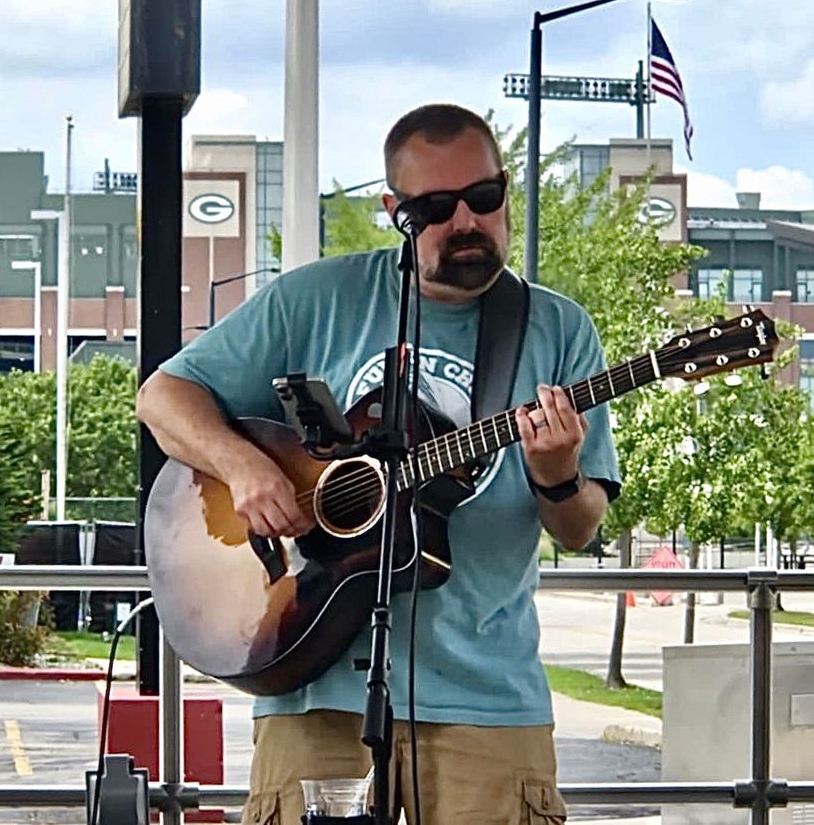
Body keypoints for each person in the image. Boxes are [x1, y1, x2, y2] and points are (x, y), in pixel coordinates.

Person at [136, 103, 621, 824]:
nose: (466, 222)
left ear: (506, 193)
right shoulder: (317, 298)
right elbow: (163, 396)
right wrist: (244, 467)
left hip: (487, 701)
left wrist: (555, 472)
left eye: (483, 199)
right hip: (315, 684)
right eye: (434, 207)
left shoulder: (555, 329)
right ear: (395, 211)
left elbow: (581, 528)